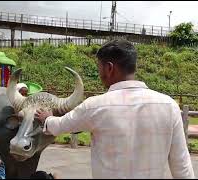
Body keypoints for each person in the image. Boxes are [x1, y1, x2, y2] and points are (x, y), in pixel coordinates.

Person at [34, 39, 195, 178]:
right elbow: (182, 168)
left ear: (109, 68)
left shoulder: (95, 106)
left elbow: (60, 125)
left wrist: (47, 118)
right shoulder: (169, 106)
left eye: (99, 67)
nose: (99, 73)